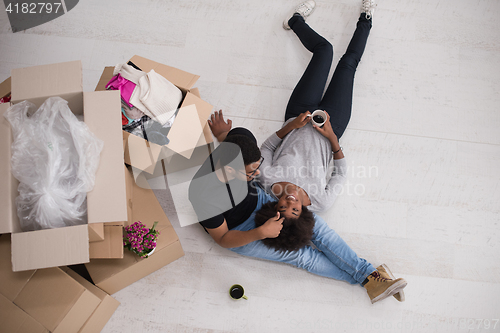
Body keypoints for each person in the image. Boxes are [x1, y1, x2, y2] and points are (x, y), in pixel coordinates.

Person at [189, 0, 407, 304]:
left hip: (260, 199)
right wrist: (260, 233)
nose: (256, 176)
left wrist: (226, 135)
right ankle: (368, 280)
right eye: (251, 172)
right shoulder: (204, 196)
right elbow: (224, 240)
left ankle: (371, 276)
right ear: (229, 170)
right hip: (240, 229)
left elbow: (258, 150)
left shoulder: (244, 150)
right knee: (302, 257)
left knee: (320, 231)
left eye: (255, 169)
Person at [257, 0, 377, 219]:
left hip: (299, 113)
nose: (290, 202)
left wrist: (291, 125)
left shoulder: (267, 182)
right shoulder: (320, 203)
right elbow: (340, 174)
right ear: (302, 213)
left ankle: (294, 21)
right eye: (295, 209)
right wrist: (332, 138)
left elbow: (266, 147)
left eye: (282, 206)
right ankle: (366, 19)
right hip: (332, 124)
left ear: (274, 207)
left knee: (324, 50)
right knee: (348, 65)